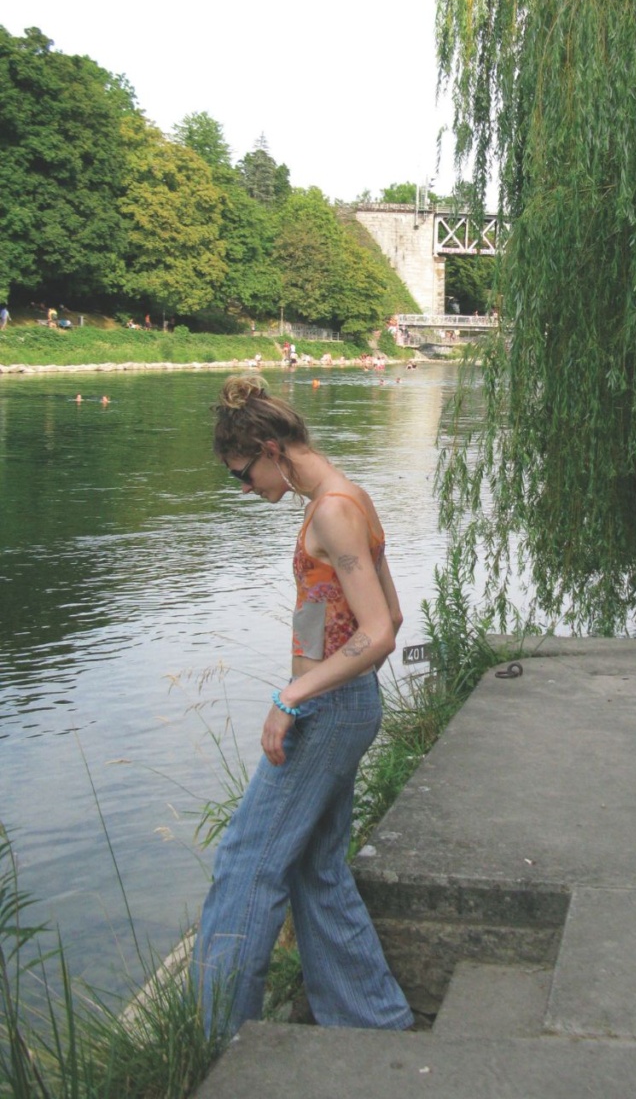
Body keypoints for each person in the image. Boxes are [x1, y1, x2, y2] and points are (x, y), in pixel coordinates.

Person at [192, 375, 413, 1040]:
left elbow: (379, 632)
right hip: (345, 703)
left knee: (247, 862)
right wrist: (306, 669)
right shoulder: (345, 498)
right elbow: (368, 613)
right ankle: (372, 1021)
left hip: (333, 710)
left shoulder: (332, 512)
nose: (243, 488)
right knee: (316, 869)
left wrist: (291, 695)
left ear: (269, 447)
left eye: (242, 473)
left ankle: (215, 1041)